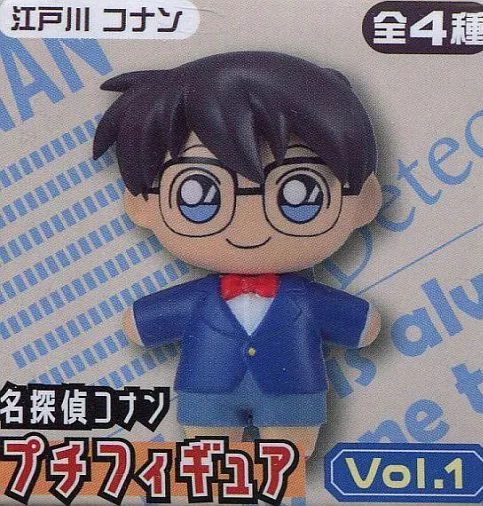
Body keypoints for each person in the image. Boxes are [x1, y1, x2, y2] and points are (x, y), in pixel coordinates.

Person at [93, 51, 382, 457]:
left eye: (299, 194)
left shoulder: (305, 299)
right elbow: (141, 325)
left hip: (292, 397)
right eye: (198, 195)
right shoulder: (202, 299)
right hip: (207, 394)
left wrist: (361, 322)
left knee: (286, 465)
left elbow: (362, 326)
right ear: (141, 204)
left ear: (364, 201)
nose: (250, 224)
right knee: (213, 467)